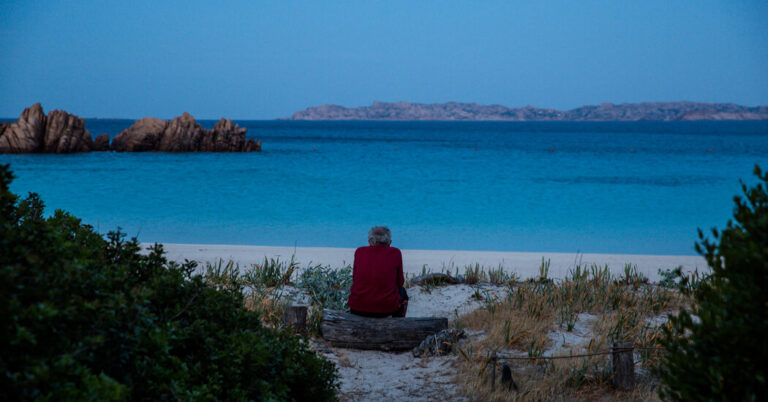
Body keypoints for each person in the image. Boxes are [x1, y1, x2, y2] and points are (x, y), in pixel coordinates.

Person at [347, 226, 408, 318]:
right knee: (403, 292)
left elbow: (355, 279)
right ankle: (398, 324)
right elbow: (400, 282)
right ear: (389, 242)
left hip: (357, 307)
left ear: (370, 241)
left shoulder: (359, 252)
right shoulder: (395, 253)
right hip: (386, 308)